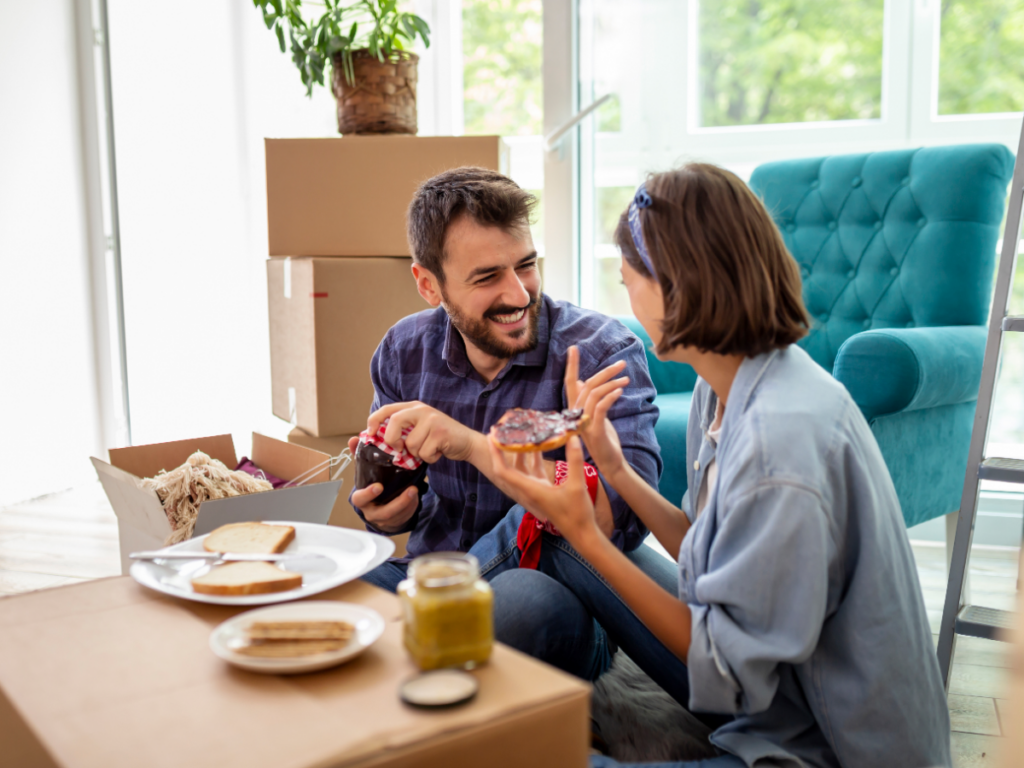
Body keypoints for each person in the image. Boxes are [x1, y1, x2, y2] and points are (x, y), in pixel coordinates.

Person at [487, 164, 952, 768]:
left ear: (677, 287)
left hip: (818, 750)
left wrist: (586, 533)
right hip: (773, 700)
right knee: (564, 544)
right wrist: (616, 470)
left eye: (627, 279)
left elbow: (729, 671)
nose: (624, 293)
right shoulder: (731, 382)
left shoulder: (778, 444)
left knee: (515, 756)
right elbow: (709, 555)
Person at [349, 167, 675, 674]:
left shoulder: (599, 351)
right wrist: (386, 512)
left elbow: (626, 520)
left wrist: (473, 445)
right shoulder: (403, 349)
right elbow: (398, 502)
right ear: (428, 284)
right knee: (336, 597)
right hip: (424, 575)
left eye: (525, 265)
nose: (520, 294)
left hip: (554, 594)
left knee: (519, 605)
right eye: (486, 277)